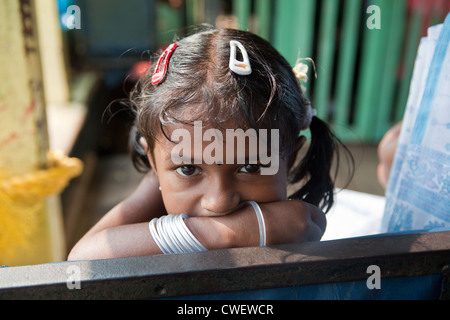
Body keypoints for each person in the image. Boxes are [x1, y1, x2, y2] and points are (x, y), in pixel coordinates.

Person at [68, 27, 353, 260]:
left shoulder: (298, 228)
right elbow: (84, 259)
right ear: (154, 164)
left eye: (251, 166)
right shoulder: (156, 187)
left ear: (289, 158)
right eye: (189, 169)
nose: (218, 201)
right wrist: (232, 232)